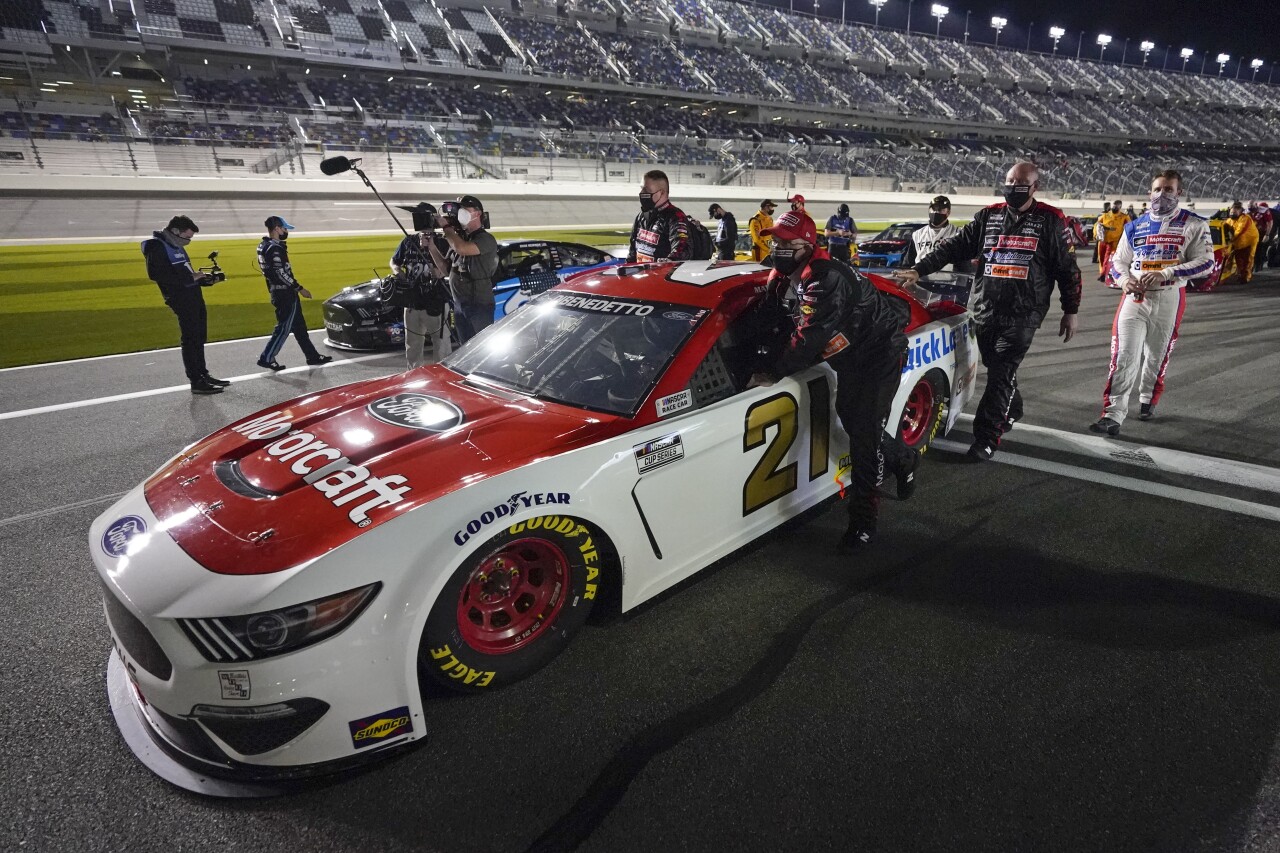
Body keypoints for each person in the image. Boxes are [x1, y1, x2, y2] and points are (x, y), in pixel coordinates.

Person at [747, 210, 920, 551]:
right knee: (852, 420)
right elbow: (770, 320)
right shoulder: (782, 277)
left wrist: (772, 372)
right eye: (775, 241)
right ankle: (903, 458)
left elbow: (808, 337)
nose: (778, 247)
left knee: (864, 438)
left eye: (786, 242)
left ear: (807, 244)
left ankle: (863, 524)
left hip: (879, 354)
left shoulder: (825, 277)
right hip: (849, 357)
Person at [896, 162, 1081, 462]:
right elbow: (954, 248)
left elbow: (1067, 269)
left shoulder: (1051, 220)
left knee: (999, 374)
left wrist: (1070, 310)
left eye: (1020, 182)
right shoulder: (989, 215)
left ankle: (986, 438)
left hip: (1024, 313)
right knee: (998, 370)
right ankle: (1013, 406)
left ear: (1035, 187)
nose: (1013, 186)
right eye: (1009, 180)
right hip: (985, 308)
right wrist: (919, 269)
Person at [1090, 170, 1214, 435]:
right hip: (1134, 298)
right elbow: (1118, 262)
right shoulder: (1134, 225)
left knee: (1156, 355)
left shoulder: (1195, 224)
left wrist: (1167, 272)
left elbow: (1206, 263)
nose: (1162, 194)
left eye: (1168, 189)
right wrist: (1124, 281)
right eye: (1157, 189)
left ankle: (1147, 397)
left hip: (1170, 296)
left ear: (1179, 193)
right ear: (1150, 192)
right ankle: (1112, 414)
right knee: (1124, 355)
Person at [142, 215, 228, 394]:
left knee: (199, 337)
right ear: (175, 231)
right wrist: (191, 278)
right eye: (187, 237)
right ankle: (196, 381)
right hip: (180, 299)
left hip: (193, 295)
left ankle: (203, 374)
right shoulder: (156, 246)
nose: (188, 241)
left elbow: (187, 274)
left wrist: (204, 279)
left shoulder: (176, 245)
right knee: (190, 339)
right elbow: (157, 274)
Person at [256, 216, 331, 371]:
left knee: (300, 327)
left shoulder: (263, 245)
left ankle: (312, 356)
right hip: (285, 294)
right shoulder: (275, 248)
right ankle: (267, 357)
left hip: (278, 291)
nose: (286, 232)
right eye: (284, 229)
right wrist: (299, 288)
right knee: (284, 327)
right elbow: (280, 273)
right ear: (277, 228)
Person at [429, 194, 499, 343]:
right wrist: (431, 247)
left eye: (465, 210)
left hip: (478, 304)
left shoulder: (485, 239)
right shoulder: (461, 239)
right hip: (460, 305)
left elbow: (461, 248)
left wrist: (446, 227)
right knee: (465, 349)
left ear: (478, 214)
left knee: (482, 348)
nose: (461, 214)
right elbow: (446, 270)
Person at [393, 202, 452, 368]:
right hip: (412, 302)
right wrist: (398, 271)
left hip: (435, 302)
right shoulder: (408, 241)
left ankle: (442, 374)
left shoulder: (443, 242)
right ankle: (413, 374)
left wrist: (430, 248)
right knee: (412, 343)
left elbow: (442, 272)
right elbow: (394, 261)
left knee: (440, 344)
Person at [626, 170, 692, 263]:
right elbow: (633, 251)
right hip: (641, 275)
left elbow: (682, 249)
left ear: (662, 193)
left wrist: (669, 261)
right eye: (641, 188)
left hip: (661, 276)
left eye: (647, 190)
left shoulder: (675, 217)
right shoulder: (641, 216)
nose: (641, 193)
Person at [902, 195, 967, 271]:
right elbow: (908, 263)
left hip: (948, 280)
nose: (936, 212)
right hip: (920, 279)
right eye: (933, 209)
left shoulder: (957, 233)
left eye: (940, 210)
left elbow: (964, 264)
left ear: (948, 212)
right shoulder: (918, 234)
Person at [1222, 201, 1259, 284]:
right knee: (1239, 260)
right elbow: (1223, 224)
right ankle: (1240, 274)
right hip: (1238, 243)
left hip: (1249, 241)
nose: (1233, 213)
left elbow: (1240, 231)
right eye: (1232, 211)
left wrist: (1230, 240)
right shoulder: (1230, 220)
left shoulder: (1246, 219)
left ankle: (1246, 277)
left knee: (1247, 260)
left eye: (1235, 212)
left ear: (1240, 211)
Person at [1095, 199, 1130, 284]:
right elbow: (1097, 225)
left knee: (1108, 258)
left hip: (1114, 242)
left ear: (1120, 207)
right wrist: (1096, 234)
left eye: (1116, 205)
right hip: (1103, 240)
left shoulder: (1124, 217)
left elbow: (1129, 228)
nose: (1114, 207)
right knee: (1101, 258)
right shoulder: (1105, 215)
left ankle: (1104, 274)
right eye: (1113, 205)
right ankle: (1102, 273)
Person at [1249, 201, 1274, 273]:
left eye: (1253, 208)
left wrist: (1267, 234)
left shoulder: (1264, 211)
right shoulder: (1247, 211)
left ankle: (1258, 266)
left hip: (1261, 233)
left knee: (1259, 249)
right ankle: (1252, 265)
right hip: (1251, 233)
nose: (1251, 210)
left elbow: (1270, 223)